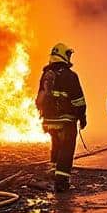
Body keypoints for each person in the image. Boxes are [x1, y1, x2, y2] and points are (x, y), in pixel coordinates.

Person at [36, 43, 87, 192]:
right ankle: (61, 181)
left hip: (48, 121)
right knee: (66, 147)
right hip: (66, 120)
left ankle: (53, 171)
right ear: (65, 56)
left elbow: (40, 97)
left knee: (56, 144)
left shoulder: (46, 74)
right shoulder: (70, 76)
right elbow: (78, 100)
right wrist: (82, 116)